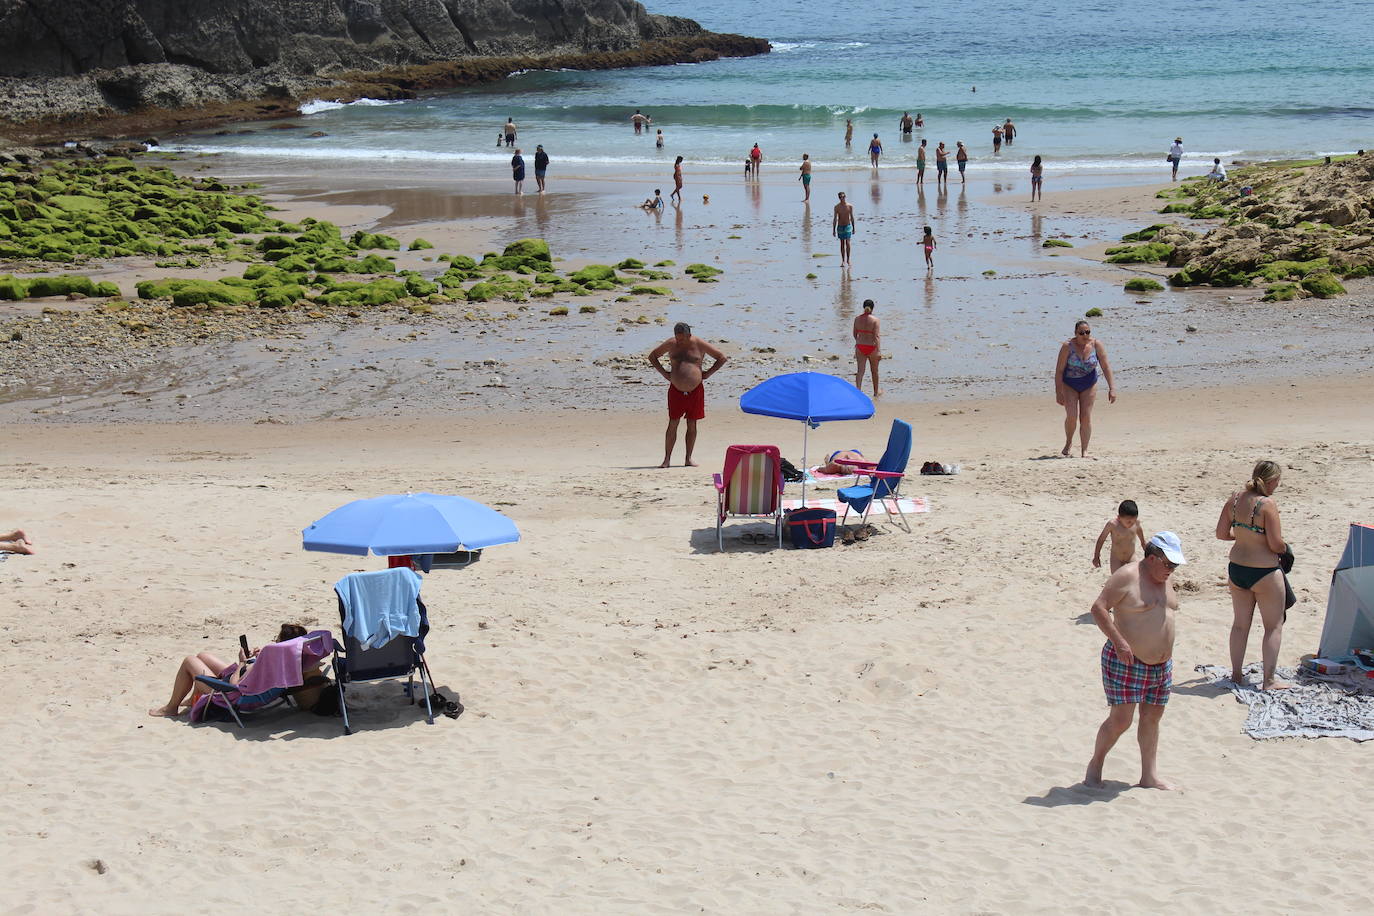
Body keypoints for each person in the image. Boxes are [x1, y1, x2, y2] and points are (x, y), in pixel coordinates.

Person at [1084, 532, 1185, 791]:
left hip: (1161, 666)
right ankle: (1095, 765)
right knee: (1121, 720)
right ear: (1152, 558)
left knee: (1152, 717)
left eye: (1174, 565)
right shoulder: (1127, 576)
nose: (1171, 570)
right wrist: (1119, 642)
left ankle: (1148, 776)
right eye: (1168, 564)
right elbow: (1098, 608)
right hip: (1127, 660)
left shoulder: (1166, 577)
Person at [1215, 460, 1293, 690]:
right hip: (1264, 572)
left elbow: (1221, 533)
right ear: (1272, 480)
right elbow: (1276, 544)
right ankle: (1269, 680)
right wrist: (1285, 548)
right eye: (1277, 481)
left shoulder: (1235, 499)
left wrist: (1242, 537)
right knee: (1273, 626)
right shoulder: (1267, 504)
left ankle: (1236, 675)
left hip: (1237, 568)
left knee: (1240, 624)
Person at [148, 624, 318, 717]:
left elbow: (235, 684)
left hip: (231, 695)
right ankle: (192, 698)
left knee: (189, 661)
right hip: (250, 684)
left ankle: (171, 708)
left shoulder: (272, 662)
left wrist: (243, 662)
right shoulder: (288, 661)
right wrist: (257, 659)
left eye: (277, 639)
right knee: (203, 655)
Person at [648, 322, 727, 468]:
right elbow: (652, 356)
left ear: (689, 335)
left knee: (692, 423)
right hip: (676, 390)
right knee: (673, 423)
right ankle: (667, 459)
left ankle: (688, 458)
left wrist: (708, 373)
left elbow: (721, 357)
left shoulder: (699, 344)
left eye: (682, 339)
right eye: (677, 338)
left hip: (695, 390)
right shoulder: (671, 344)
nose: (680, 341)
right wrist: (664, 373)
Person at [1054, 319, 1116, 458]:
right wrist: (1058, 392)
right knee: (1072, 416)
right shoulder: (1067, 346)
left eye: (1087, 332)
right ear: (1075, 333)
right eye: (1081, 333)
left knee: (1085, 417)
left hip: (1089, 383)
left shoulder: (1096, 344)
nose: (1085, 335)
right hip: (1069, 383)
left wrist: (1112, 388)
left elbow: (1106, 367)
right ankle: (1069, 442)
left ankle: (1084, 450)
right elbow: (1059, 371)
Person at [1094, 500, 1147, 572]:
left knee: (1135, 575)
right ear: (1119, 517)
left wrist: (1148, 555)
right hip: (1116, 558)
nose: (1131, 524)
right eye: (1128, 521)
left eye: (1134, 521)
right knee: (1117, 577)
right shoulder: (1112, 525)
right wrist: (1096, 556)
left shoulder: (1136, 524)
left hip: (1131, 556)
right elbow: (1101, 539)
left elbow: (1143, 542)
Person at [853, 298, 881, 396]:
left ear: (863, 307)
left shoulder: (857, 319)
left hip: (860, 346)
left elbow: (854, 334)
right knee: (874, 371)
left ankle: (858, 392)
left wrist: (858, 342)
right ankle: (875, 393)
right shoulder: (875, 320)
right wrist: (878, 351)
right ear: (873, 308)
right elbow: (876, 336)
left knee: (860, 371)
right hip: (871, 347)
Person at [832, 191, 856, 268]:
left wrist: (854, 228)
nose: (842, 198)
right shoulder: (837, 207)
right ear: (839, 198)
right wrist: (833, 229)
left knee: (848, 243)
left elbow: (852, 217)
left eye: (843, 197)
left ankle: (848, 260)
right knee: (842, 243)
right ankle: (843, 261)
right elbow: (835, 219)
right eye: (840, 197)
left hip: (848, 226)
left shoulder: (850, 206)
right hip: (840, 227)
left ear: (845, 197)